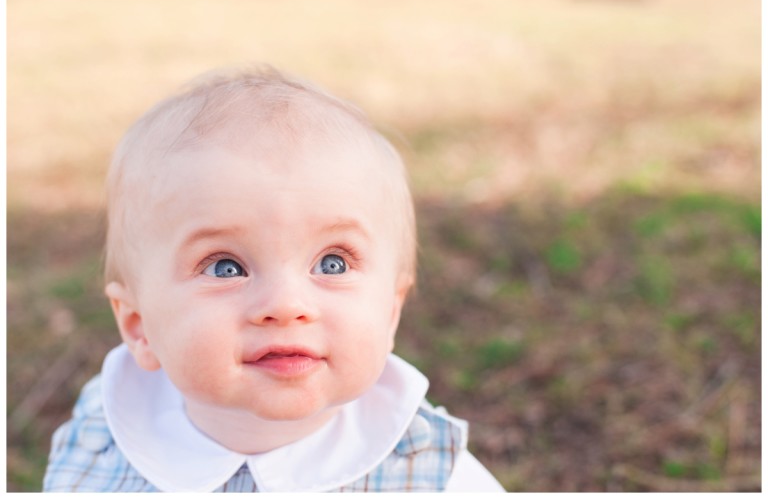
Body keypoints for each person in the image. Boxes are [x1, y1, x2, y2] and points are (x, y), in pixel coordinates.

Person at [43, 67, 505, 493]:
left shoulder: (429, 474)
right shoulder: (99, 451)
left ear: (390, 312)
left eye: (333, 263)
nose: (286, 305)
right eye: (226, 267)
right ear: (139, 326)